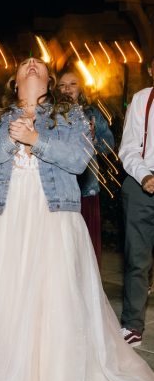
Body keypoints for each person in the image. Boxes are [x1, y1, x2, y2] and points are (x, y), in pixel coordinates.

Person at [0, 57, 154, 381]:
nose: (31, 65)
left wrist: (36, 139)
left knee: (53, 297)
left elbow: (78, 159)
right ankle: (9, 377)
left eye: (38, 65)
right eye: (24, 64)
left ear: (49, 81)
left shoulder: (69, 116)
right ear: (14, 80)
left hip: (53, 215)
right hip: (6, 215)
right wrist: (12, 141)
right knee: (5, 294)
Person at [57, 69, 114, 265]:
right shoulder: (50, 113)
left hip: (85, 188)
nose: (67, 88)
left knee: (85, 249)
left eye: (72, 84)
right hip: (57, 190)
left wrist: (93, 139)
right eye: (62, 84)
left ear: (80, 88)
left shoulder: (91, 113)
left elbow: (109, 144)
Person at [119, 55, 154, 347]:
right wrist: (144, 176)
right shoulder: (142, 99)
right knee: (137, 259)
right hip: (141, 183)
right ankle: (132, 326)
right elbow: (128, 146)